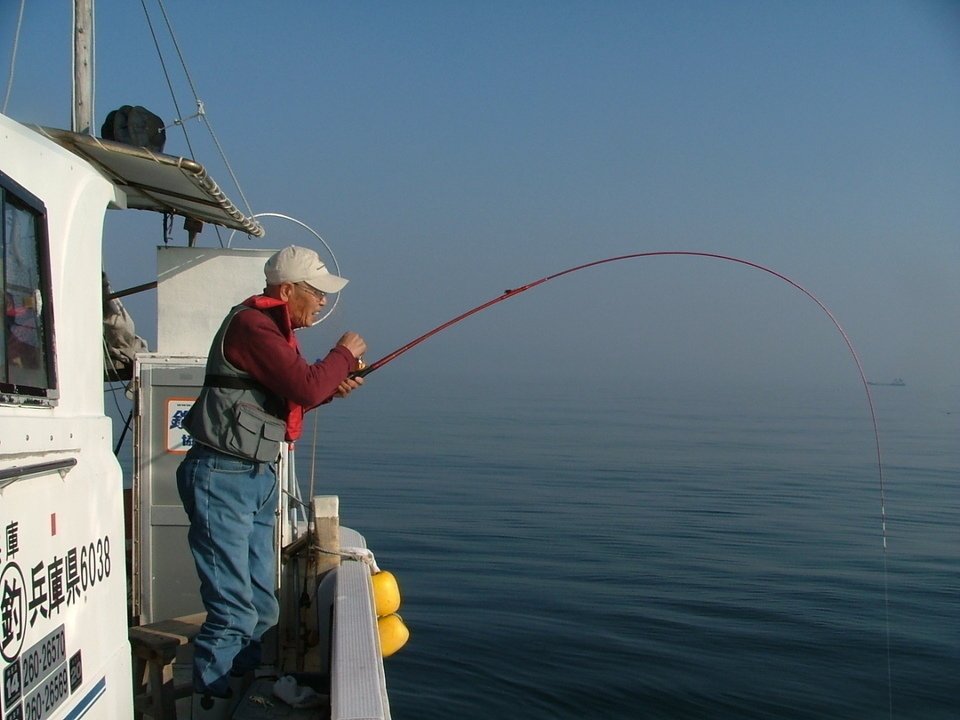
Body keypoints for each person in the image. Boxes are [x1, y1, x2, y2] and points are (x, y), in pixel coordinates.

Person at [176, 245, 366, 718]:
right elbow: (305, 384)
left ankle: (243, 688)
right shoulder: (253, 326)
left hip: (255, 475)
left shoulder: (273, 332)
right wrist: (343, 355)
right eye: (316, 292)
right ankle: (212, 702)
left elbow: (294, 395)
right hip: (221, 475)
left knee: (263, 605)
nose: (322, 302)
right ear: (287, 291)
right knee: (233, 607)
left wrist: (331, 387)